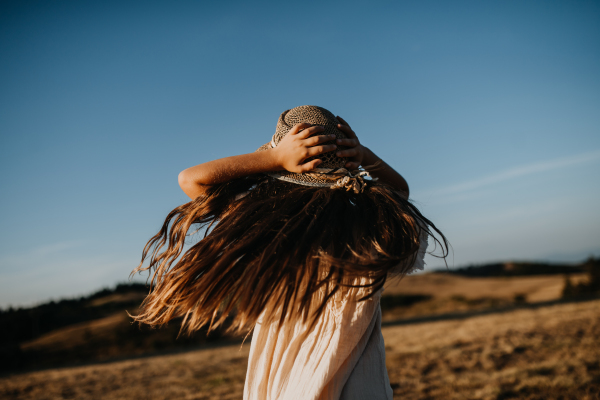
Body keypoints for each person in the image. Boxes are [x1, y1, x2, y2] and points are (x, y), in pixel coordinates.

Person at [131, 105, 448, 399]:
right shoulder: (366, 225)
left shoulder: (266, 227)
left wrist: (274, 158)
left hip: (282, 384)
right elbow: (400, 191)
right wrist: (364, 155)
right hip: (360, 387)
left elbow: (190, 179)